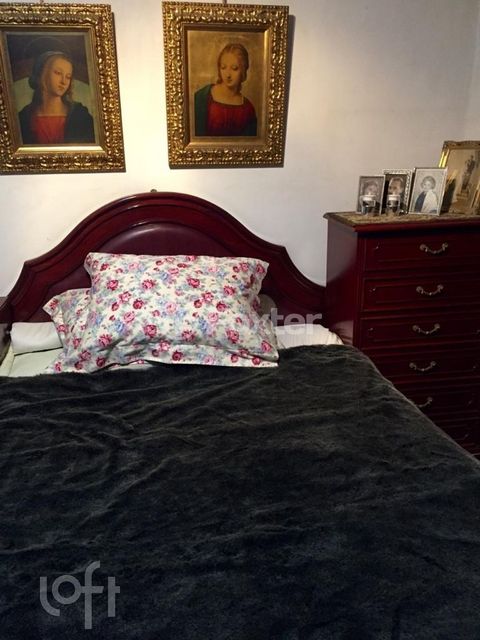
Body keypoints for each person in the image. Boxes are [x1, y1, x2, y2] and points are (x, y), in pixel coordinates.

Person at [18, 50, 95, 144]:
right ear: (43, 74)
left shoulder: (80, 115)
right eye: (58, 73)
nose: (64, 82)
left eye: (68, 77)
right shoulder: (24, 118)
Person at [194, 43, 257, 137]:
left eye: (234, 68)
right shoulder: (203, 97)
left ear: (243, 71)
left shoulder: (248, 109)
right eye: (223, 67)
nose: (228, 75)